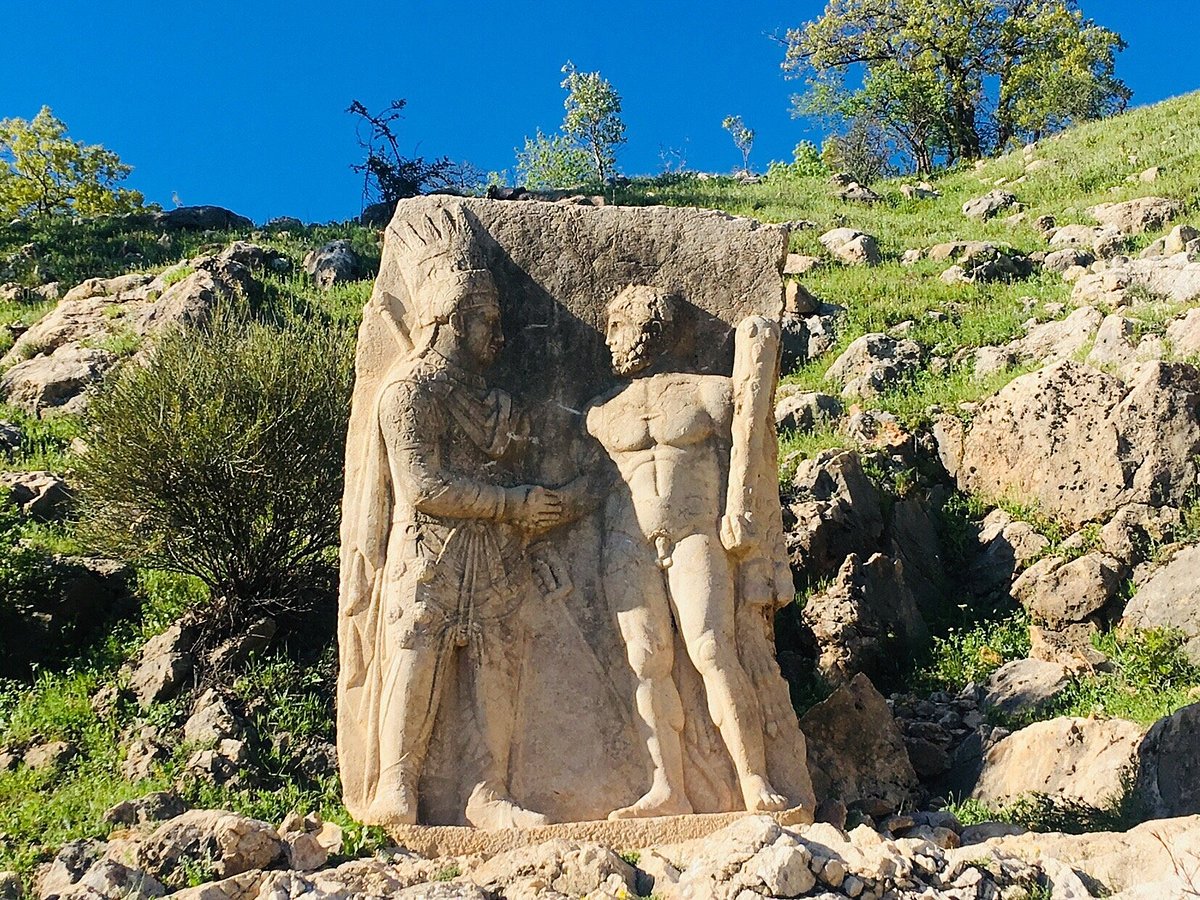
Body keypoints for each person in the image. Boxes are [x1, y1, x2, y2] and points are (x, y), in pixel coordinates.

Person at [338, 249, 568, 829]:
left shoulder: (497, 405)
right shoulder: (408, 394)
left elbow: (513, 475)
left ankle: (489, 792)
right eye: (487, 321)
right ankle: (397, 785)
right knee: (414, 658)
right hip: (427, 553)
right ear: (452, 321)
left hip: (496, 556)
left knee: (498, 665)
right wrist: (513, 505)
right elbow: (423, 486)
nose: (499, 336)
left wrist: (535, 531)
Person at [584, 285, 790, 819]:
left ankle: (754, 778)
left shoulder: (709, 393)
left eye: (617, 327)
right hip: (627, 542)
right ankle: (667, 787)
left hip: (695, 534)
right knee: (646, 662)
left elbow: (753, 445)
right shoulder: (601, 413)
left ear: (650, 329)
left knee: (713, 651)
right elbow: (586, 486)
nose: (608, 340)